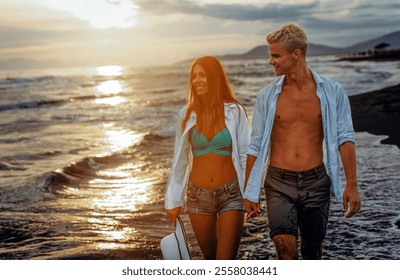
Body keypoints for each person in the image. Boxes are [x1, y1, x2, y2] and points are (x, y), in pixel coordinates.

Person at [243, 23, 361, 260]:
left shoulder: (332, 91)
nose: (271, 61)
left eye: (276, 55)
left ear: (296, 53)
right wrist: (250, 191)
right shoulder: (267, 96)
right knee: (284, 250)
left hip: (316, 182)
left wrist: (352, 184)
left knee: (312, 251)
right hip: (278, 183)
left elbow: (344, 137)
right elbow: (255, 144)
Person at [165, 56, 250, 259]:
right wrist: (173, 199)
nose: (197, 80)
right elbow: (180, 160)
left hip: (231, 194)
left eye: (202, 75)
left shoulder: (234, 111)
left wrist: (250, 193)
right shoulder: (186, 114)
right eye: (193, 76)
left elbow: (246, 154)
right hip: (197, 197)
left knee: (225, 263)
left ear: (214, 78)